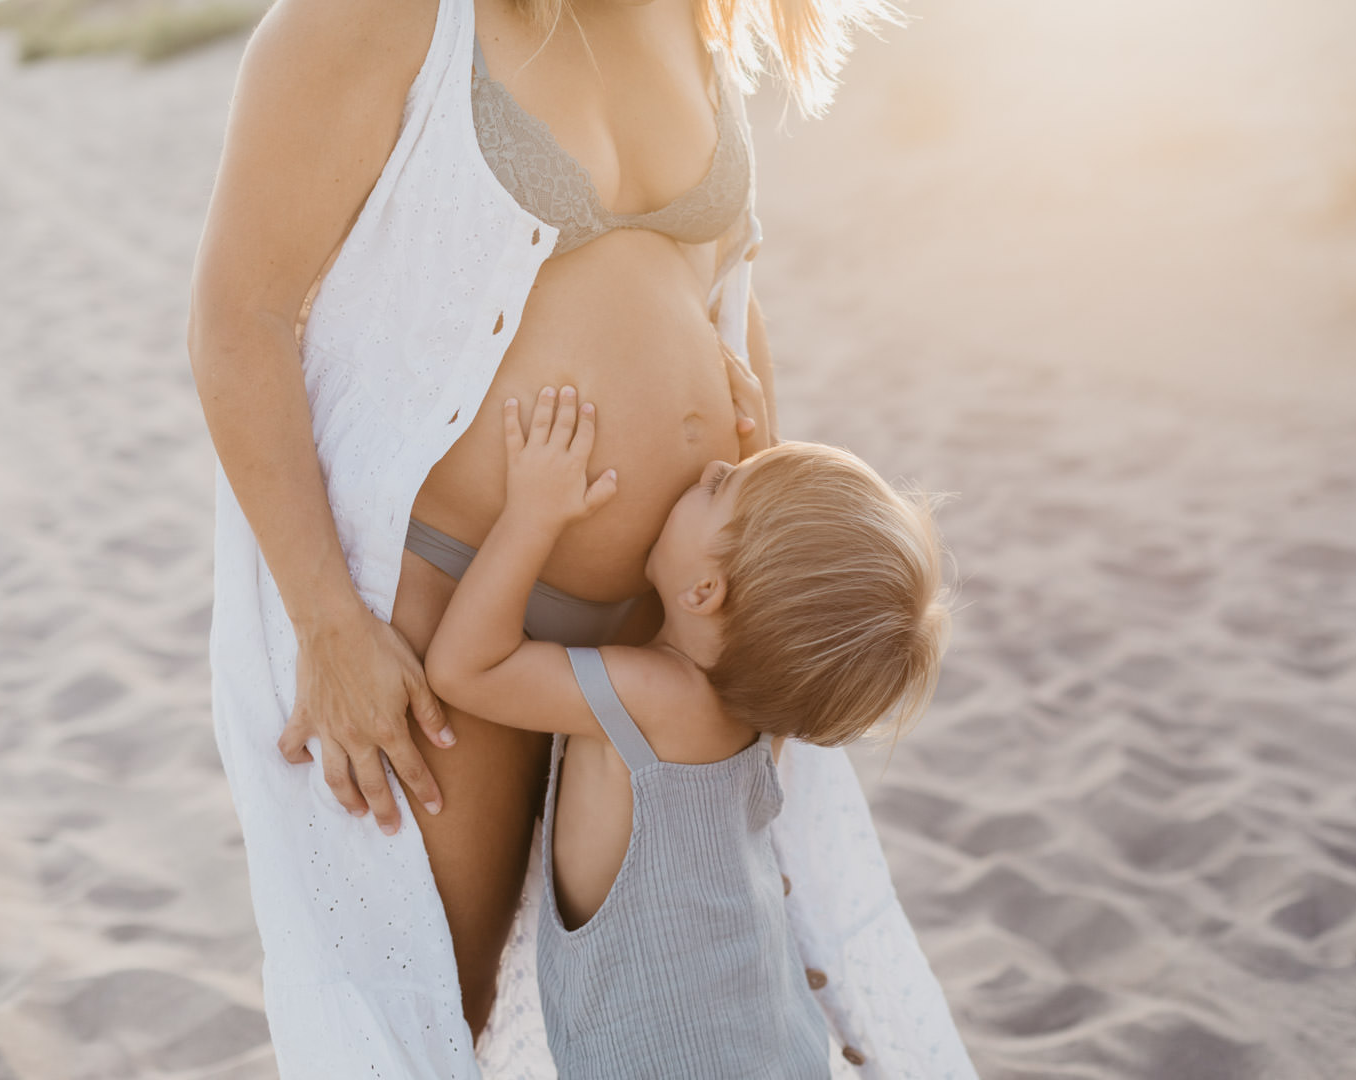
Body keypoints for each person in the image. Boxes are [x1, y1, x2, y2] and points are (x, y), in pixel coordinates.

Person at [188, 0, 980, 1071]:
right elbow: (240, 317)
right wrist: (327, 620)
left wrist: (760, 487)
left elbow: (721, 287)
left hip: (680, 624)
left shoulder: (693, 18)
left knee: (679, 990)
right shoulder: (380, 19)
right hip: (446, 592)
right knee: (425, 1013)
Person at [424, 382, 948, 1076]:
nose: (711, 467)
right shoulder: (761, 720)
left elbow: (466, 669)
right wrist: (753, 475)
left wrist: (532, 516)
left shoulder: (659, 699)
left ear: (705, 592)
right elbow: (777, 604)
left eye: (722, 485)